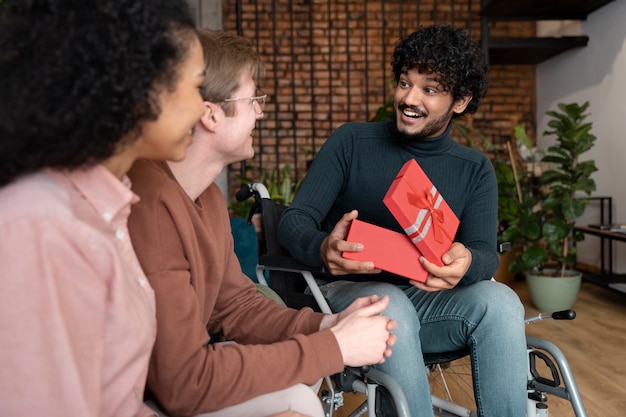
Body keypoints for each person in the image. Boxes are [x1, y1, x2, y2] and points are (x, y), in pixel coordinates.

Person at [126, 29, 397, 417]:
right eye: (253, 99)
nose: (261, 111)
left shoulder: (208, 197)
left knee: (300, 398)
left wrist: (328, 325)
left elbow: (235, 305)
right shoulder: (151, 203)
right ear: (211, 113)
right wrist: (334, 347)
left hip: (165, 385)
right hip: (129, 399)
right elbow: (184, 383)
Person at [278, 24, 527, 417]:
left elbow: (483, 254)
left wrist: (466, 262)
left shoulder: (475, 169)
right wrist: (324, 248)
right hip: (346, 294)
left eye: (429, 89)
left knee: (502, 301)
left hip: (424, 302)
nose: (409, 98)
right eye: (404, 83)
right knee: (388, 302)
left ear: (459, 102)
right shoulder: (351, 142)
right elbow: (294, 221)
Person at [0, 0, 206, 416]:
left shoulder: (100, 208)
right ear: (141, 88)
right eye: (198, 86)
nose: (204, 109)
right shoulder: (40, 229)